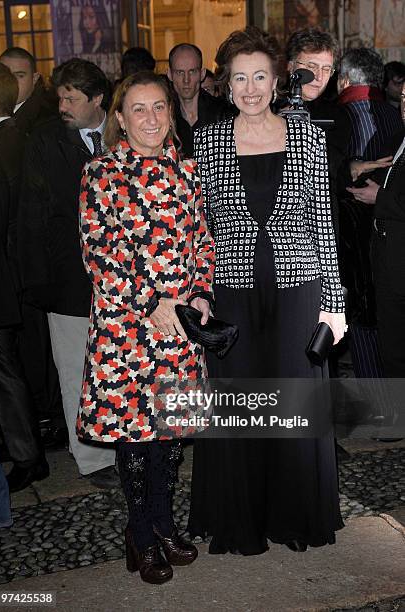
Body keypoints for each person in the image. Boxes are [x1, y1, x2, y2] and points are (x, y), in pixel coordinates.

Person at [188, 26, 346, 555]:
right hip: (232, 290)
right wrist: (199, 292)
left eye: (260, 76)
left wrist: (335, 305)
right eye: (239, 78)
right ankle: (243, 517)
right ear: (225, 85)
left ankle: (295, 515)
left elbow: (323, 224)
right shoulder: (206, 141)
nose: (251, 88)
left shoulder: (309, 138)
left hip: (298, 288)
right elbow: (200, 227)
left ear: (276, 80)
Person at [77, 71, 215, 583]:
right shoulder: (101, 173)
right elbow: (100, 254)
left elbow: (204, 242)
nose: (152, 118)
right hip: (127, 332)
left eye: (160, 107)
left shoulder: (187, 171)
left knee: (170, 437)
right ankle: (140, 536)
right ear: (120, 117)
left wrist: (200, 293)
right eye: (139, 109)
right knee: (135, 437)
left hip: (180, 328)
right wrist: (152, 301)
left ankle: (163, 524)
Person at [18, 58, 117, 489]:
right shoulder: (45, 141)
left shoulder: (120, 134)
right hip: (68, 280)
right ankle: (94, 460)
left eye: (71, 98)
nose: (62, 104)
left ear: (98, 99)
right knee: (76, 370)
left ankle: (127, 440)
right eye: (59, 96)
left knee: (116, 366)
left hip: (118, 281)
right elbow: (32, 215)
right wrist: (39, 282)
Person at [0, 47, 63, 448]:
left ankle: (45, 417)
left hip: (31, 256)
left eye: (20, 74)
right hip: (17, 258)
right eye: (5, 74)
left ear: (36, 78)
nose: (12, 82)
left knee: (40, 346)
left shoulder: (40, 123)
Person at [0, 61, 49, 493]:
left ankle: (27, 453)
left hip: (4, 278)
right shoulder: (19, 137)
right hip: (14, 278)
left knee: (5, 369)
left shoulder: (1, 144)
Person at [337, 48, 402, 385]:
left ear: (345, 79)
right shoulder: (393, 113)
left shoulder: (349, 112)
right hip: (387, 237)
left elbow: (352, 182)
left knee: (364, 321)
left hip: (360, 235)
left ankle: (378, 406)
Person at [284, 27, 352, 240]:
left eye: (327, 69)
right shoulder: (268, 109)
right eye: (311, 66)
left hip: (320, 222)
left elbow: (326, 167)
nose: (319, 76)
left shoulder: (338, 116)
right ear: (291, 66)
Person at [167, 43, 233, 157]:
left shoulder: (223, 113)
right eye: (179, 72)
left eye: (192, 71)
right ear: (169, 74)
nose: (186, 80)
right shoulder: (163, 116)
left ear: (202, 74)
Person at [0, 47, 57, 136]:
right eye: (4, 75)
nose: (11, 82)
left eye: (20, 76)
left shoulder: (48, 121)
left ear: (34, 79)